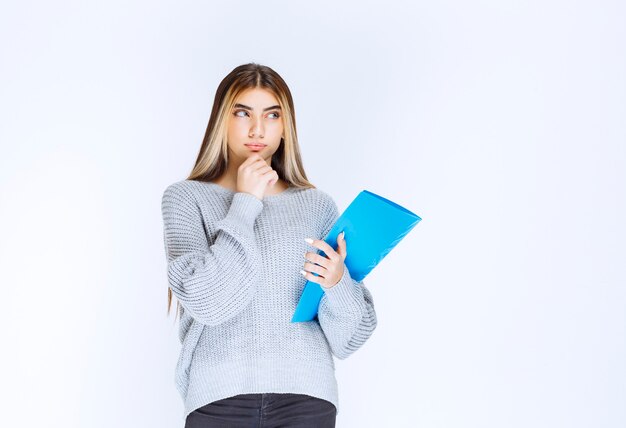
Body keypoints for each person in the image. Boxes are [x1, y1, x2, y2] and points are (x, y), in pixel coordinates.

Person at [161, 63, 377, 428]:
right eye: (243, 112)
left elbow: (349, 338)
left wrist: (337, 282)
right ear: (221, 120)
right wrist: (245, 202)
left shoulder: (316, 205)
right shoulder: (186, 199)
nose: (257, 129)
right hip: (218, 398)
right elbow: (211, 304)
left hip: (305, 398)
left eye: (272, 115)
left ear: (285, 126)